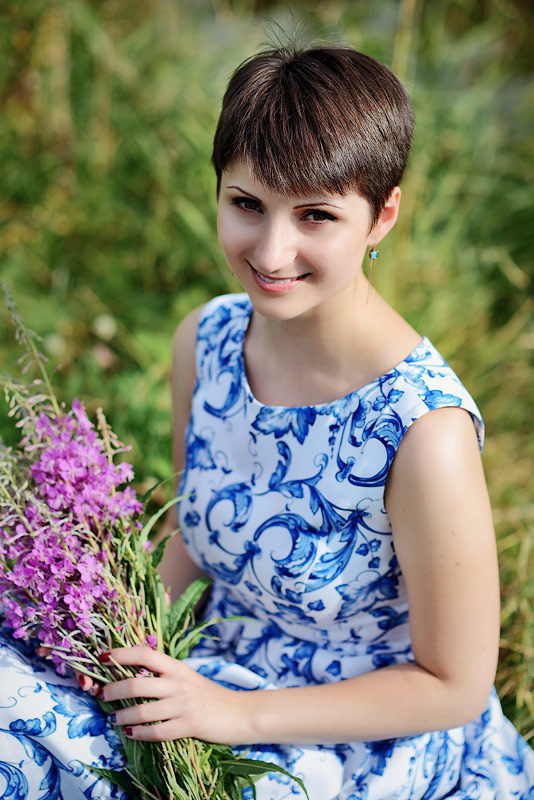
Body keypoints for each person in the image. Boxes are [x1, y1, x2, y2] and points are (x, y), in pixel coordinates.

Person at [1, 43, 533, 800]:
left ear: (383, 214)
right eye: (247, 204)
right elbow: (193, 535)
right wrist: (124, 636)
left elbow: (453, 686)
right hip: (210, 667)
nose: (272, 252)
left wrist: (233, 715)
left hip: (352, 739)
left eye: (316, 215)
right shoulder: (208, 340)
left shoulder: (423, 430)